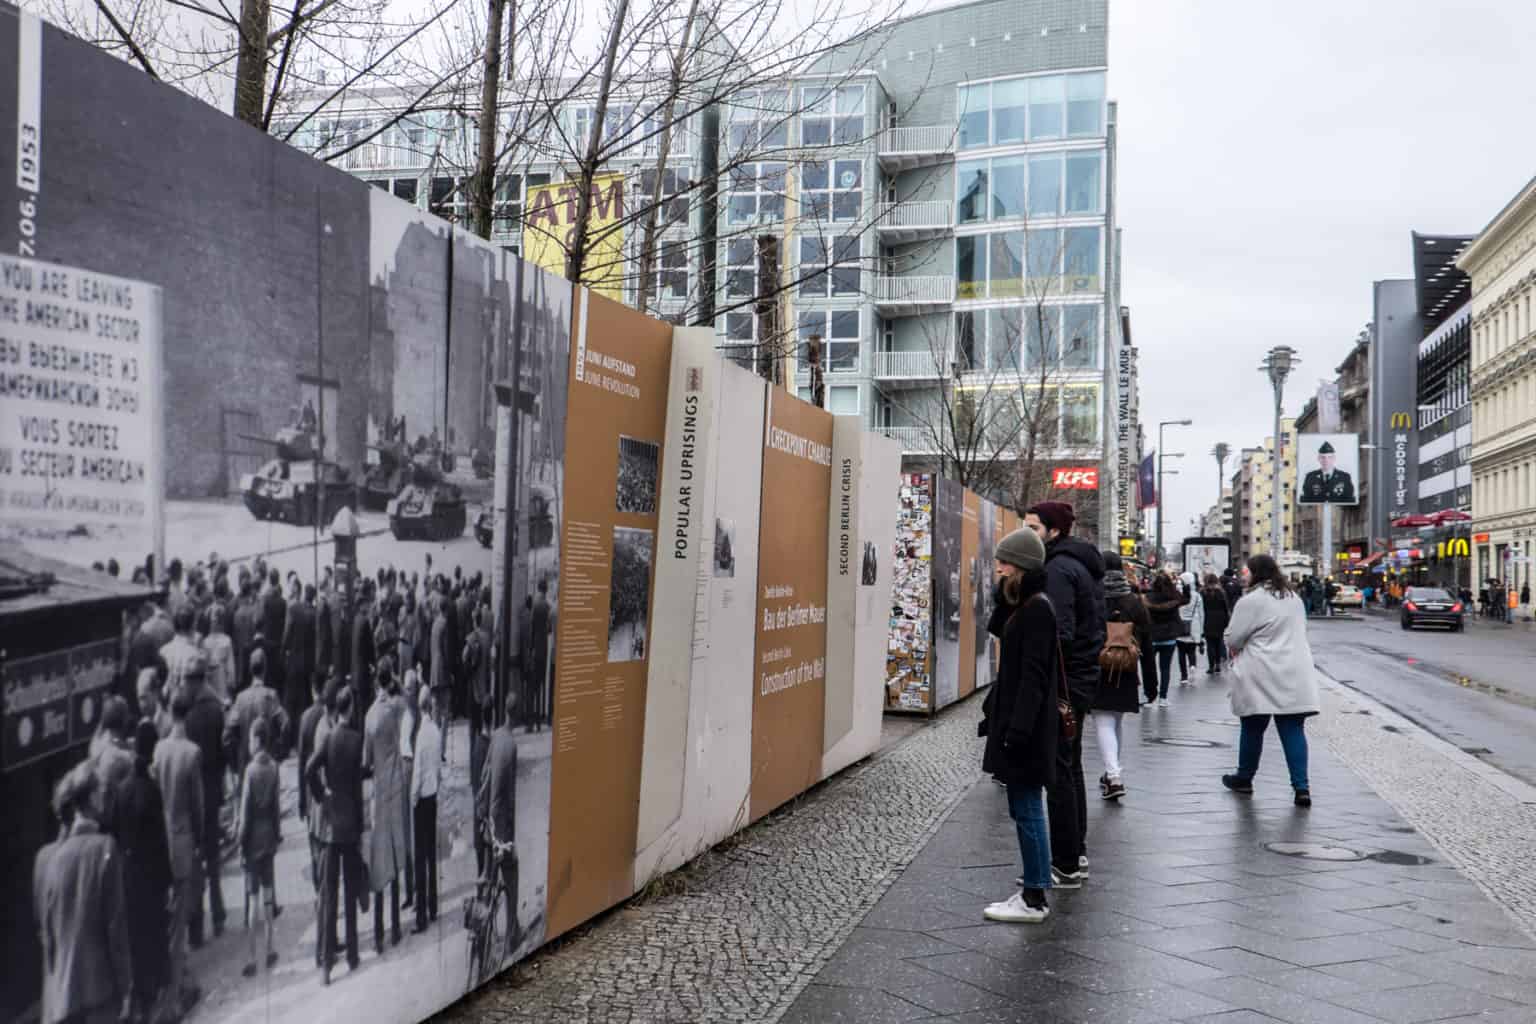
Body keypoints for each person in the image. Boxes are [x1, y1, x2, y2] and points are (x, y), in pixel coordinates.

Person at [977, 527, 1058, 922]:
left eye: (1005, 563)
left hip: (1025, 727)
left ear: (1022, 567)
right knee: (1024, 807)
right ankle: (1033, 888)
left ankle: (1034, 896)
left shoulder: (1038, 609)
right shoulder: (1025, 605)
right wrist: (1004, 594)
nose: (998, 568)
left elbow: (1034, 677)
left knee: (1027, 808)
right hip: (1019, 723)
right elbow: (998, 628)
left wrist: (1017, 731)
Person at [1022, 501, 1102, 890]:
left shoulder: (1056, 569)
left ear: (1054, 532)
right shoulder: (1076, 564)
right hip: (1079, 678)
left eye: (1033, 528)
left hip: (1066, 681)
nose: (1027, 535)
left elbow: (1059, 633)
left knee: (1058, 771)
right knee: (1070, 767)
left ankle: (1066, 863)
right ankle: (1075, 854)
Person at [34, 763, 133, 1024]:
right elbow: (116, 927)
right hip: (99, 993)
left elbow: (46, 934)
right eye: (100, 792)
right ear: (90, 798)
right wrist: (126, 988)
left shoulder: (45, 859)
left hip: (58, 999)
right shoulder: (104, 849)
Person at [1222, 554, 1320, 807]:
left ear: (1255, 573)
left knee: (1253, 726)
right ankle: (1302, 788)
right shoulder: (1293, 598)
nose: (1244, 575)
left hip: (1261, 670)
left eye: (1247, 571)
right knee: (1293, 729)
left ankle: (1244, 777)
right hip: (1295, 671)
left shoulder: (1251, 601)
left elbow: (1234, 639)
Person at [307, 685, 366, 984]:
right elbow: (357, 789)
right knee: (351, 889)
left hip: (330, 826)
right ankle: (353, 955)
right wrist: (361, 824)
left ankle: (327, 967)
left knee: (329, 896)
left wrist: (322, 796)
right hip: (350, 825)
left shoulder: (328, 739)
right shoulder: (356, 741)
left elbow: (309, 770)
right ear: (351, 709)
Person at [115, 721, 173, 1023]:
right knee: (154, 938)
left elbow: (114, 834)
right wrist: (167, 881)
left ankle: (137, 1001)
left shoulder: (121, 790)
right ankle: (152, 1007)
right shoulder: (151, 790)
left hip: (128, 876)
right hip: (151, 877)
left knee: (135, 940)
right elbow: (160, 840)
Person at [149, 690, 203, 1012]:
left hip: (163, 840)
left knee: (169, 917)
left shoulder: (159, 749)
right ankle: (175, 995)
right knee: (179, 920)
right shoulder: (192, 753)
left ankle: (180, 982)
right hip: (184, 840)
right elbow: (197, 805)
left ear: (170, 712)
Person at [363, 657, 408, 954]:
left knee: (379, 861)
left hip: (378, 791)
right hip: (395, 788)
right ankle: (395, 927)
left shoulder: (370, 716)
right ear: (389, 678)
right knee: (395, 854)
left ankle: (379, 932)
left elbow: (367, 760)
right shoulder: (395, 711)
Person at [1093, 552, 1146, 801]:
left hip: (1099, 667)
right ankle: (1111, 772)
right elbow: (1148, 640)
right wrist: (1153, 682)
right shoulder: (1133, 601)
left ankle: (1113, 776)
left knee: (1103, 719)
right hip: (1127, 669)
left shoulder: (1093, 598)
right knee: (1116, 720)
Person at [237, 718, 282, 977]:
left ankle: (252, 957)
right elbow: (276, 809)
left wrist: (241, 843)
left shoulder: (250, 772)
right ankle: (271, 948)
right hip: (268, 839)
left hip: (252, 840)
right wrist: (276, 835)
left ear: (257, 739)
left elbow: (244, 814)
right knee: (268, 897)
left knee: (252, 899)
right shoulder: (274, 768)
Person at [487, 691, 523, 945]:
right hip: (502, 821)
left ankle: (492, 932)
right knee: (512, 873)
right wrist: (511, 835)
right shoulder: (511, 745)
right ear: (517, 715)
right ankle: (512, 934)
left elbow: (486, 775)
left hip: (488, 815)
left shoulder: (496, 736)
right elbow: (510, 796)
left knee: (491, 875)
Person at [225, 649, 287, 781]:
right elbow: (286, 724)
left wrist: (234, 761)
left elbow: (227, 734)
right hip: (267, 763)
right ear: (265, 669)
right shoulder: (271, 696)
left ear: (250, 669)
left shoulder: (241, 698)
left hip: (245, 763)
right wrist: (278, 749)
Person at [411, 687, 443, 933]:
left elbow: (418, 772)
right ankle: (433, 906)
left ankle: (421, 915)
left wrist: (412, 798)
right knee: (432, 853)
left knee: (420, 856)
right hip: (433, 796)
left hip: (421, 798)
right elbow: (437, 769)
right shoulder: (436, 731)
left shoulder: (421, 735)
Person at [1144, 574, 1186, 707]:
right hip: (1168, 638)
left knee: (1149, 669)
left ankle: (1150, 697)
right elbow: (1186, 599)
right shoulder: (1174, 597)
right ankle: (1163, 697)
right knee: (1165, 668)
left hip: (1151, 637)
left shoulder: (1148, 597)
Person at [1176, 571, 1205, 684]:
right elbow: (1202, 614)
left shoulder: (1179, 594)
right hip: (1194, 626)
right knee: (1192, 650)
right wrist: (1201, 631)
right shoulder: (1197, 596)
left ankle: (1184, 677)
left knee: (1181, 653)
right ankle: (1192, 666)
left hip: (1180, 626)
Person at [1200, 574, 1232, 675]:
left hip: (1208, 618)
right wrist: (1227, 621)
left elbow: (1201, 608)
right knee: (1218, 642)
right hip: (1220, 619)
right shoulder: (1221, 592)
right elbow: (1225, 607)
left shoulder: (1203, 592)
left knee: (1210, 644)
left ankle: (1211, 666)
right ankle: (1218, 664)